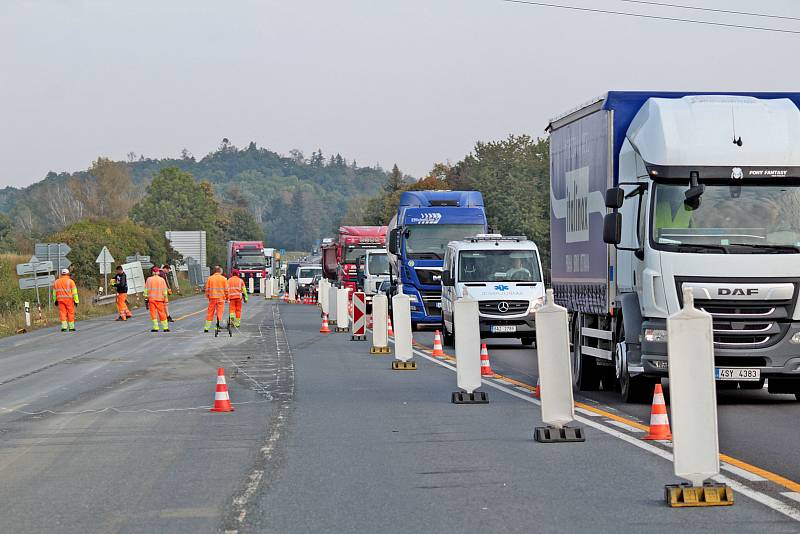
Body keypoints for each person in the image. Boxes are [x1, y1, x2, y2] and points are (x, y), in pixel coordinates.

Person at [144, 266, 170, 332]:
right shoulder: (162, 280)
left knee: (153, 313)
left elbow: (146, 290)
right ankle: (165, 327)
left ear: (153, 272)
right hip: (160, 300)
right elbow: (165, 291)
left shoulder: (148, 279)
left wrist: (146, 298)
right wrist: (166, 300)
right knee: (162, 313)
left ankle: (155, 327)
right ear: (158, 272)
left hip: (151, 299)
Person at [204, 266, 229, 333]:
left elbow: (207, 290)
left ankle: (206, 328)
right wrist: (227, 298)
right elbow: (226, 290)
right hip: (221, 299)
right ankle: (216, 327)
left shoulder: (210, 278)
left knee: (210, 313)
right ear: (220, 271)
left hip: (212, 299)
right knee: (219, 313)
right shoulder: (224, 279)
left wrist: (208, 297)